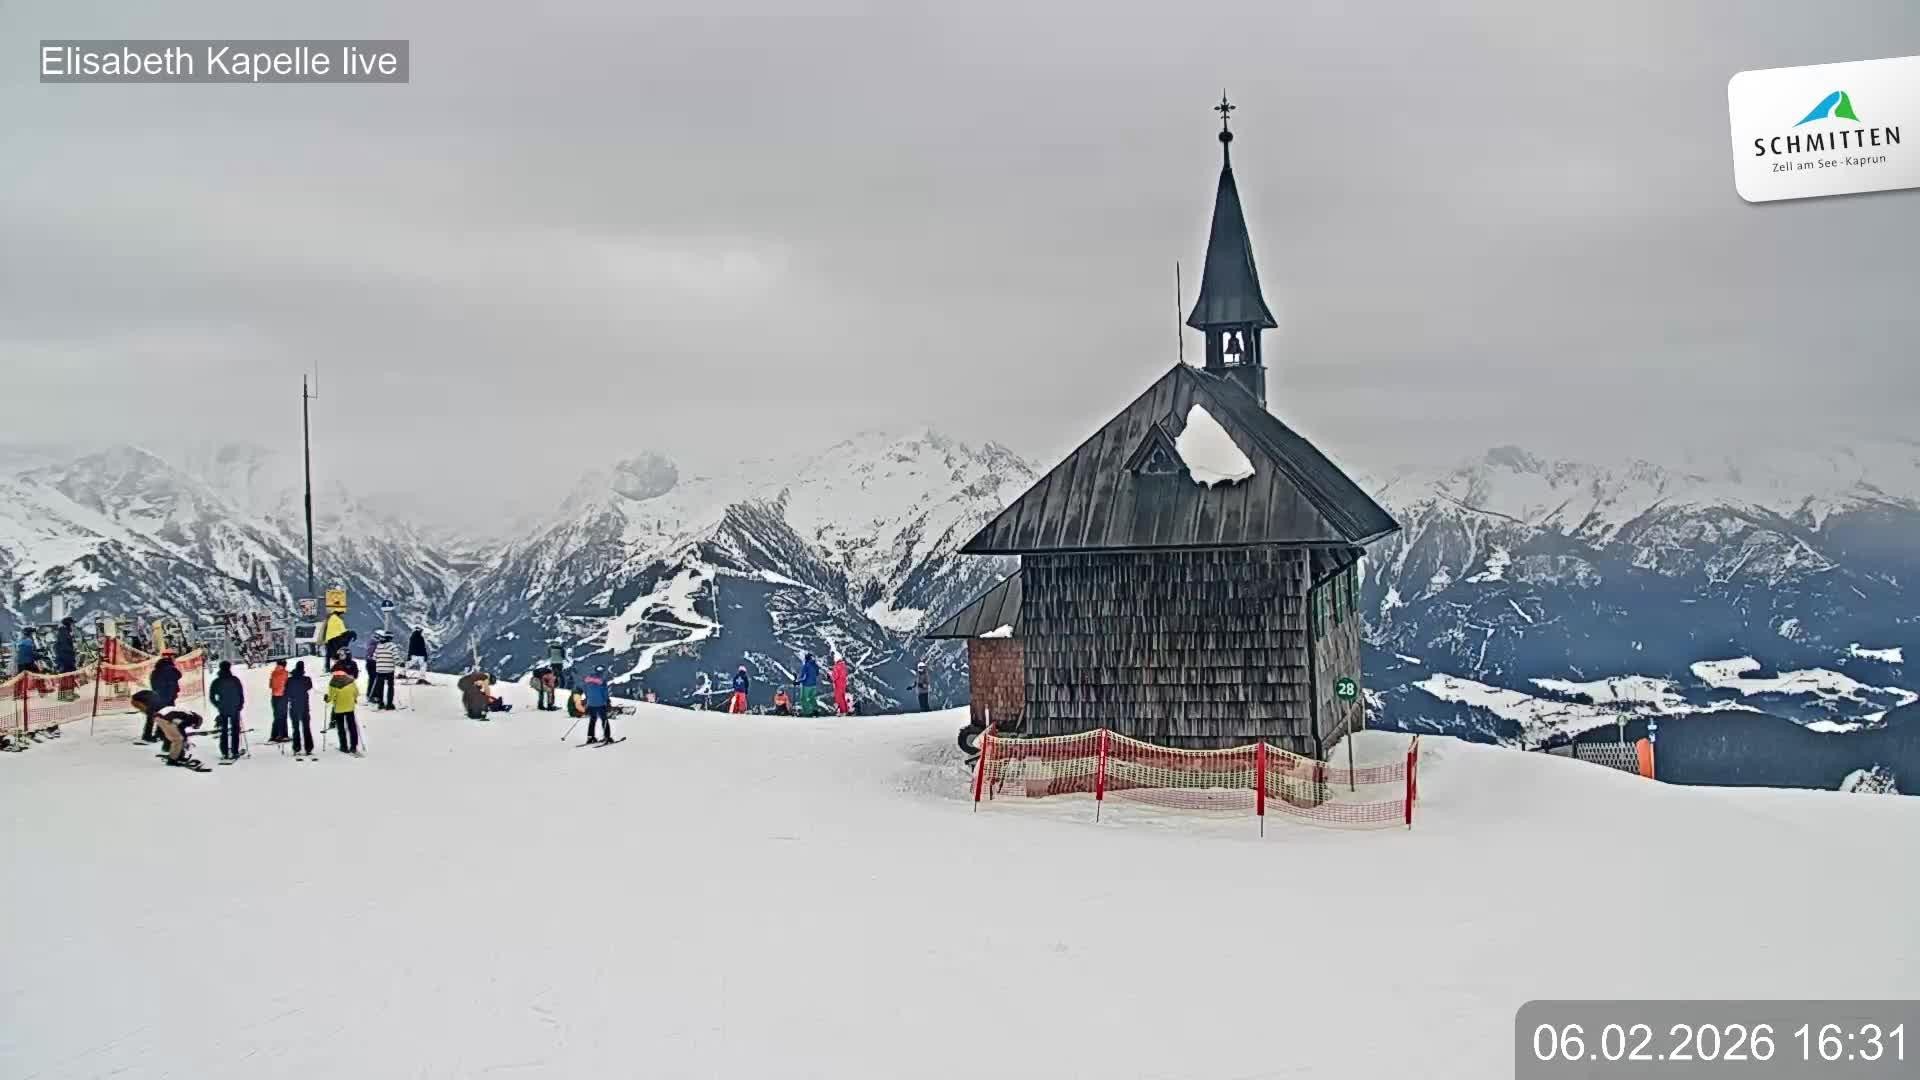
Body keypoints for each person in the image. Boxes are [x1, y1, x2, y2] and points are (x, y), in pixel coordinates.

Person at [132, 689, 205, 770]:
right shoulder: (191, 718)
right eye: (195, 727)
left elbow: (179, 727)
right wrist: (185, 739)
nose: (193, 727)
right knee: (178, 740)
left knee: (178, 739)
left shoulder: (187, 714)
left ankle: (178, 756)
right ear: (197, 722)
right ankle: (172, 760)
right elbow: (180, 727)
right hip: (164, 718)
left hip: (161, 716)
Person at [209, 660, 245, 762]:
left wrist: (218, 705)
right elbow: (241, 694)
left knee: (224, 730)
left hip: (223, 709)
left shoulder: (217, 681)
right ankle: (234, 750)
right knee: (235, 730)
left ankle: (224, 752)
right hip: (235, 708)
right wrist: (240, 705)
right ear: (229, 668)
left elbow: (212, 696)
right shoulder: (235, 680)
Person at [143, 651, 182, 743]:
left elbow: (153, 683)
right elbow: (179, 675)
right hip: (168, 697)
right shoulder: (171, 670)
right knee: (165, 716)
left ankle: (147, 735)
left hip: (156, 695)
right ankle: (159, 734)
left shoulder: (155, 671)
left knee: (152, 716)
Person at [326, 665, 361, 755]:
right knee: (352, 727)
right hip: (350, 707)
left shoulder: (333, 682)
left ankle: (343, 746)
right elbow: (356, 692)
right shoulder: (351, 680)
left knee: (341, 728)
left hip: (338, 708)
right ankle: (353, 746)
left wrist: (327, 699)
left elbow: (330, 697)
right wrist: (354, 698)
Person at [286, 661, 316, 758]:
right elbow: (309, 686)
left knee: (296, 728)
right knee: (306, 727)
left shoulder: (290, 680)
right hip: (304, 706)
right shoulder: (306, 679)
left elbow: (286, 692)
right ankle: (308, 748)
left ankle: (296, 748)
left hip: (294, 706)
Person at [583, 666, 613, 743]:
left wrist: (588, 699)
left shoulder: (587, 680)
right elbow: (605, 692)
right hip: (600, 703)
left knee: (592, 720)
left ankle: (590, 737)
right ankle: (607, 737)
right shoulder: (602, 681)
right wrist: (607, 701)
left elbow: (586, 691)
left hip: (591, 703)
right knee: (604, 719)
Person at [372, 631, 401, 709]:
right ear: (391, 638)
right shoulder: (392, 646)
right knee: (390, 687)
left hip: (380, 670)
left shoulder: (379, 646)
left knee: (380, 687)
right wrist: (401, 663)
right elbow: (396, 658)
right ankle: (389, 704)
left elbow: (374, 658)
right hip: (389, 670)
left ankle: (381, 703)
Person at [797, 652, 820, 717]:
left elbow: (804, 677)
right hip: (814, 685)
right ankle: (815, 710)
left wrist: (798, 681)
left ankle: (807, 712)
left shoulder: (806, 666)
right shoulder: (815, 665)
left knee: (803, 698)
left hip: (806, 685)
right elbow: (817, 674)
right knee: (812, 698)